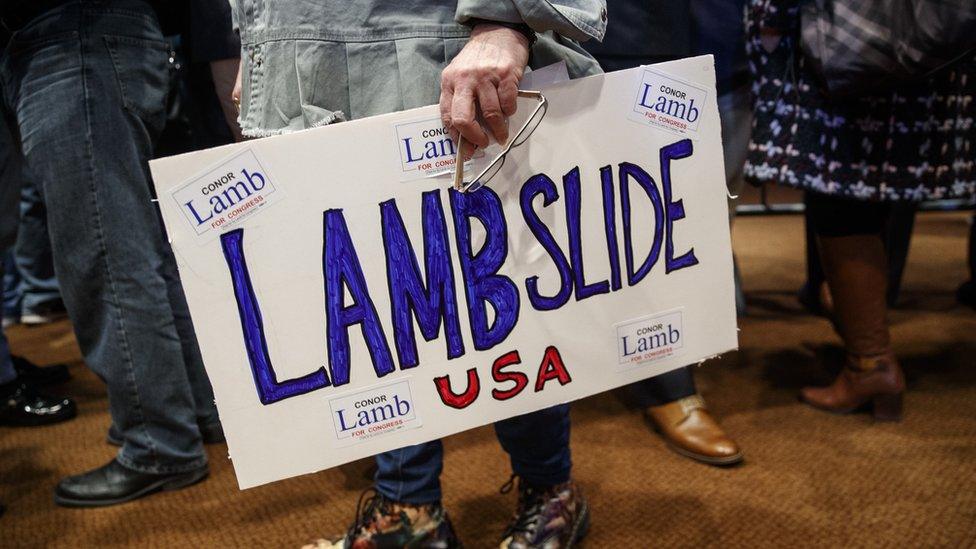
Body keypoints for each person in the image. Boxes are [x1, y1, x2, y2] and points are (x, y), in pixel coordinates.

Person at [230, 1, 606, 547]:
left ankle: (550, 489)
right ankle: (408, 509)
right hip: (307, 55)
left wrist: (505, 20)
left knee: (500, 292)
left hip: (435, 43)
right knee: (381, 304)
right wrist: (260, 35)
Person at [0, 0, 223, 507]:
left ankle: (159, 444)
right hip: (99, 38)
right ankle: (196, 414)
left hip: (70, 38)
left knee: (105, 258)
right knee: (139, 251)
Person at [745, 0, 976, 420]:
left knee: (843, 193)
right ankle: (864, 344)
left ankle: (870, 363)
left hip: (855, 38)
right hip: (911, 43)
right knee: (870, 187)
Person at [582, 0, 745, 466]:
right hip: (618, 36)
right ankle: (669, 385)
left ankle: (669, 373)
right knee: (631, 224)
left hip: (701, 35)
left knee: (677, 218)